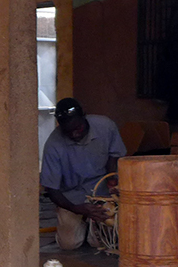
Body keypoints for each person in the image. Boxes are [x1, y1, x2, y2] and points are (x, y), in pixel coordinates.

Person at [40, 98, 125, 250]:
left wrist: (112, 176)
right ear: (61, 127)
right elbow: (51, 189)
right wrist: (77, 208)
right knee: (69, 244)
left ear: (84, 117)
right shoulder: (53, 145)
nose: (74, 134)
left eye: (78, 128)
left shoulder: (105, 126)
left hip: (101, 193)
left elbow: (115, 153)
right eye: (69, 131)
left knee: (101, 242)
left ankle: (92, 231)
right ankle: (81, 225)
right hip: (72, 198)